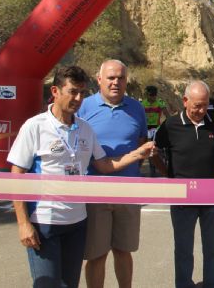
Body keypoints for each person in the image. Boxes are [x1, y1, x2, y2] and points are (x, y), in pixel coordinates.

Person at [7, 66, 154, 288]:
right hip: (45, 222)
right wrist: (23, 223)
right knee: (47, 284)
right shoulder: (35, 126)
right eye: (72, 92)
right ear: (55, 91)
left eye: (82, 93)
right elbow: (16, 175)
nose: (78, 99)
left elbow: (104, 165)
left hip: (77, 222)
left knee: (70, 284)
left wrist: (137, 154)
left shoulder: (85, 129)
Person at [77, 59, 148, 288]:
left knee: (124, 250)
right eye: (110, 77)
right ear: (99, 80)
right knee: (96, 254)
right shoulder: (83, 107)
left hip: (128, 192)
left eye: (121, 78)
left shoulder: (137, 108)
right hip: (95, 193)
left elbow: (140, 142)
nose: (116, 82)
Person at [153, 81, 214, 288]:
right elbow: (154, 152)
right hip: (182, 198)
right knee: (183, 249)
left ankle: (213, 284)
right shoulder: (169, 126)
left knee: (213, 248)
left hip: (213, 197)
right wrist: (167, 173)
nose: (202, 110)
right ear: (185, 101)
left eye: (205, 105)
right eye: (197, 106)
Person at [141, 85, 168, 176]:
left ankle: (155, 169)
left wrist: (166, 127)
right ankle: (145, 168)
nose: (152, 97)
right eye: (150, 95)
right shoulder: (142, 104)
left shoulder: (160, 103)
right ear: (147, 95)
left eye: (154, 95)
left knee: (154, 149)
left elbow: (167, 116)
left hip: (156, 128)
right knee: (144, 149)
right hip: (145, 129)